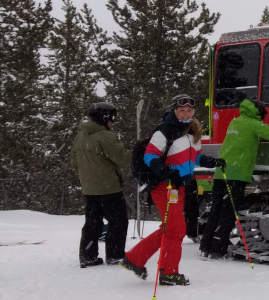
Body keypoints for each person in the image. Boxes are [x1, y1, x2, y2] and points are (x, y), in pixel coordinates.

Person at [120, 94, 223, 286]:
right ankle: (169, 272)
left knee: (170, 228)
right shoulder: (166, 130)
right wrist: (167, 172)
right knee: (176, 230)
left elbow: (196, 157)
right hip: (164, 186)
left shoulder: (193, 131)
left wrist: (212, 161)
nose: (185, 113)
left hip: (180, 186)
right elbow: (150, 156)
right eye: (181, 110)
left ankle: (134, 259)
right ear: (175, 110)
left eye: (189, 110)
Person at [199, 99, 269, 260]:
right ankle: (218, 249)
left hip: (221, 173)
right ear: (258, 113)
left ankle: (205, 246)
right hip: (237, 174)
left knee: (216, 210)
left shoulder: (235, 122)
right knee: (228, 212)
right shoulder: (253, 124)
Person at [71, 102, 131, 268]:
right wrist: (139, 152)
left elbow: (74, 162)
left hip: (89, 188)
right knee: (118, 222)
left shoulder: (81, 135)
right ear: (104, 118)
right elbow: (122, 158)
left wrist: (87, 178)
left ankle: (88, 256)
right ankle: (115, 255)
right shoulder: (105, 135)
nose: (113, 122)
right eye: (112, 119)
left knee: (92, 222)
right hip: (109, 187)